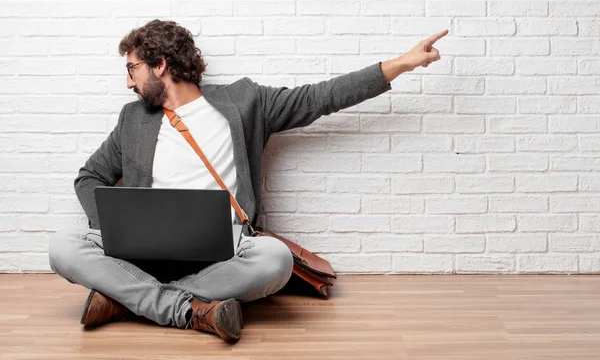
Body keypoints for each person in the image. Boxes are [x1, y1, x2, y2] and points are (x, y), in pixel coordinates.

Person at [48, 19, 447, 342]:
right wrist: (117, 227)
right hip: (144, 247)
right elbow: (90, 177)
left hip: (223, 246)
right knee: (63, 246)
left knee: (275, 260)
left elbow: (319, 98)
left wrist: (401, 64)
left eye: (132, 69)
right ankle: (189, 310)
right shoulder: (132, 119)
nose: (129, 83)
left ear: (160, 64)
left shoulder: (244, 102)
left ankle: (127, 298)